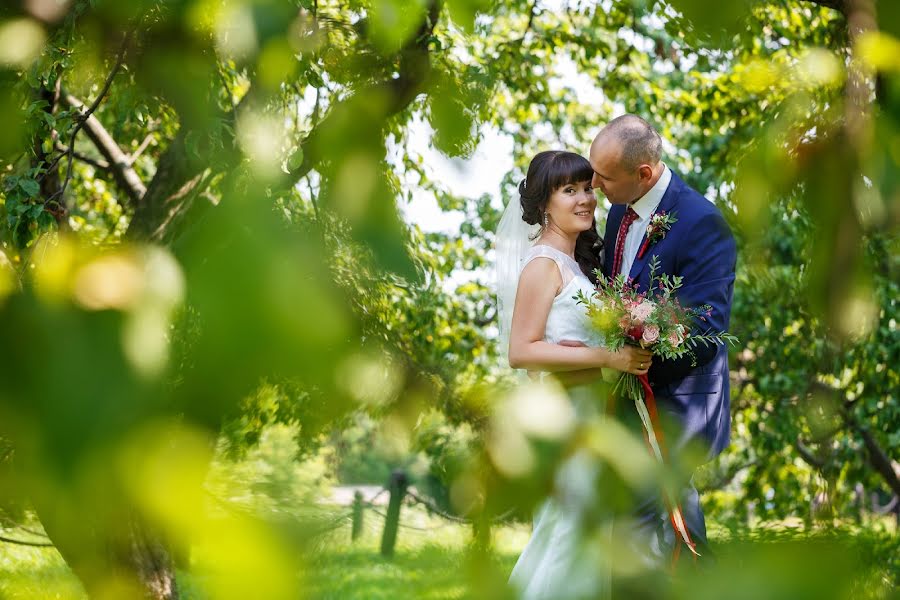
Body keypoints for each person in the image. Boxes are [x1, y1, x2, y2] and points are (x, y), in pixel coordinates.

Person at [496, 149, 652, 599]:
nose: (585, 198)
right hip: (568, 425)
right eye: (570, 191)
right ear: (544, 202)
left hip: (591, 419)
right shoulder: (543, 264)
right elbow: (521, 351)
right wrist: (606, 359)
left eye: (587, 188)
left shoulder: (577, 266)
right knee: (567, 539)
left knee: (579, 541)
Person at [589, 114, 737, 563]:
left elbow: (707, 323)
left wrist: (643, 339)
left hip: (676, 403)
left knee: (653, 524)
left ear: (644, 174)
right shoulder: (619, 210)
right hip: (624, 397)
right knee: (653, 522)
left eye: (604, 176)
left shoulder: (702, 222)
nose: (594, 184)